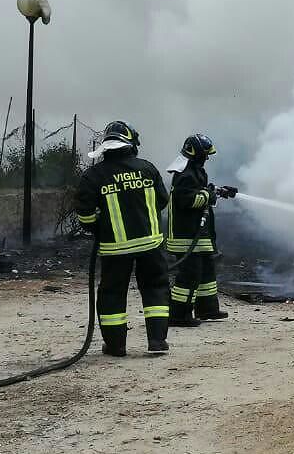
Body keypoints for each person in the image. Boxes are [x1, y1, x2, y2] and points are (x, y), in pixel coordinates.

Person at [75, 120, 172, 356]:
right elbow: (162, 201)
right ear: (131, 145)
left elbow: (84, 215)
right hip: (150, 243)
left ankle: (116, 346)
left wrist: (99, 228)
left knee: (112, 294)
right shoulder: (147, 168)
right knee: (156, 288)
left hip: (114, 248)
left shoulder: (93, 176)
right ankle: (157, 342)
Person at [166, 133, 238, 326]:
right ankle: (178, 314)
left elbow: (201, 193)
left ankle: (207, 308)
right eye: (204, 154)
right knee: (189, 276)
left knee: (206, 272)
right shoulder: (185, 173)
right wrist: (209, 195)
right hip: (186, 236)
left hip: (199, 236)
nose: (206, 158)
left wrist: (218, 191)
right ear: (195, 153)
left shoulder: (195, 171)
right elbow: (187, 200)